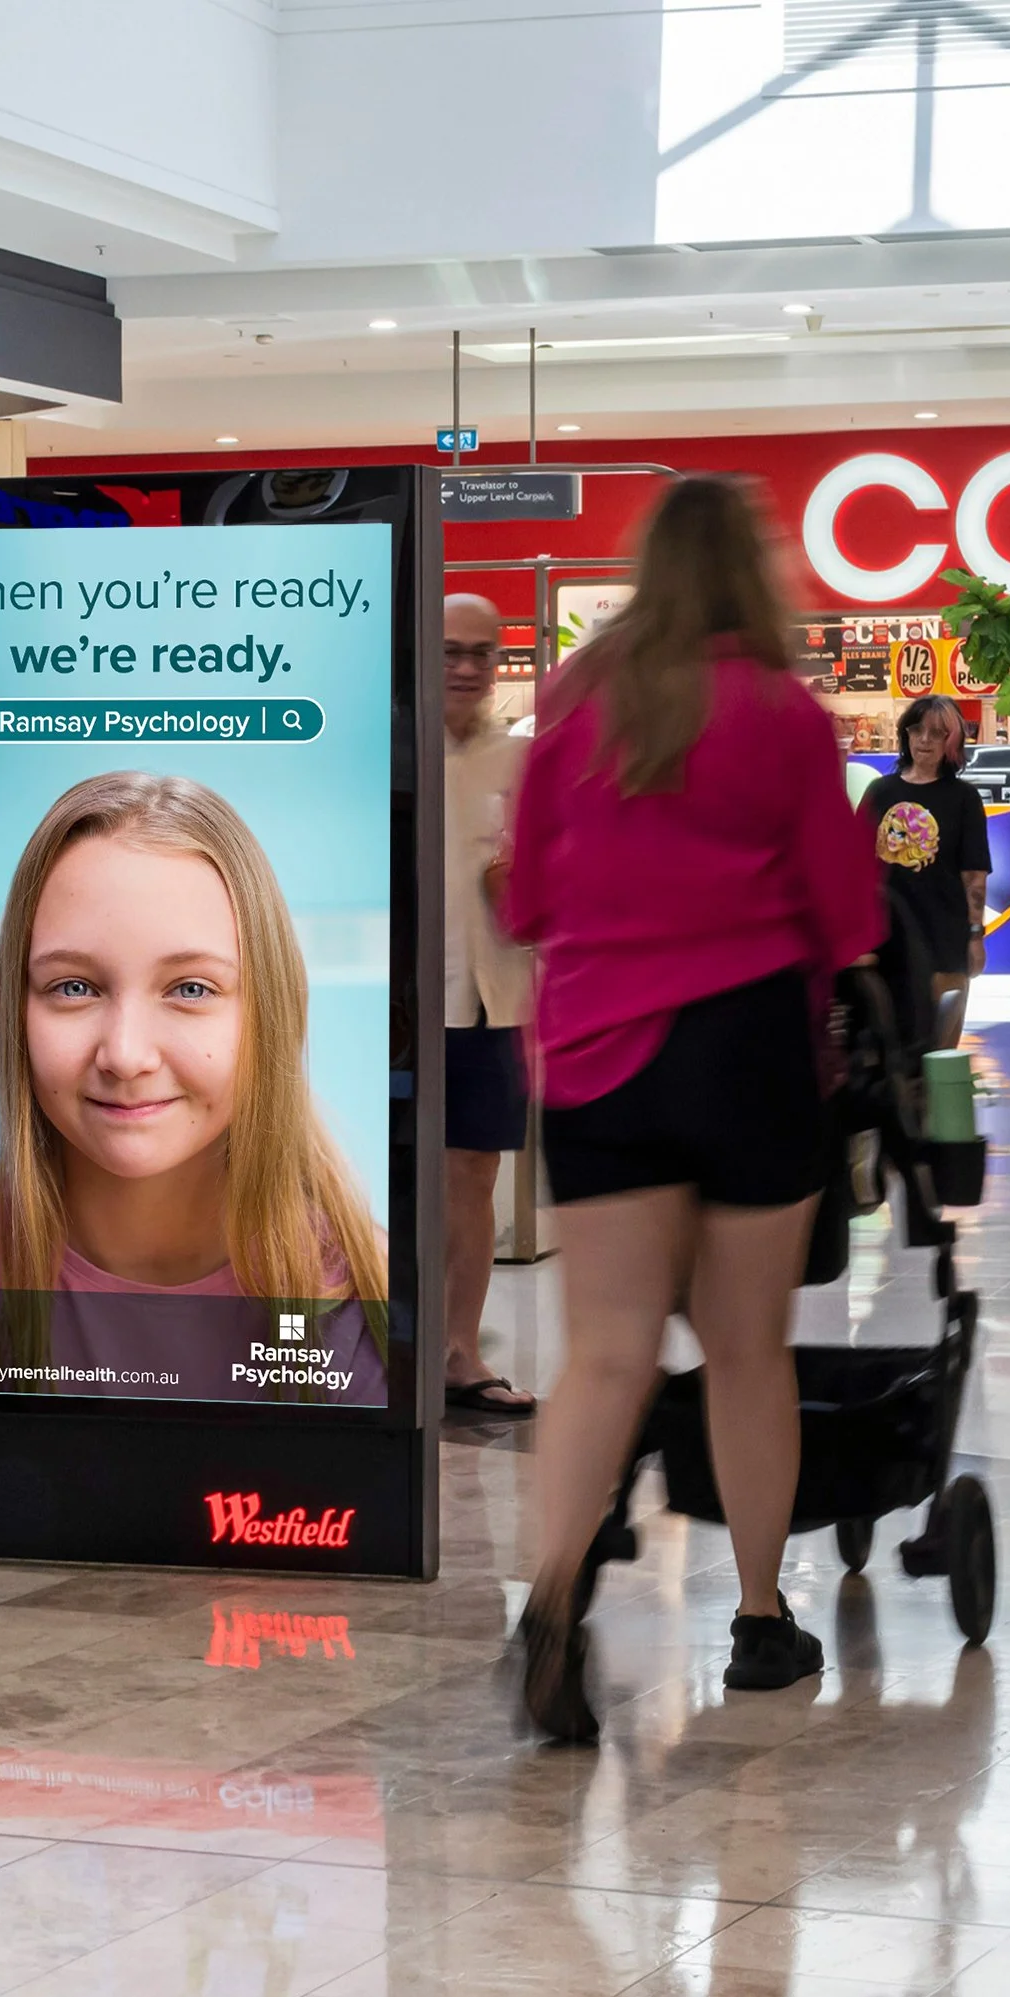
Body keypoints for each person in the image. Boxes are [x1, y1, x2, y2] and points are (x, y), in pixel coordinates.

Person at [502, 475, 883, 1742]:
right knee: (746, 1347)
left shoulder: (576, 698)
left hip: (599, 1048)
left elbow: (530, 895)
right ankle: (762, 1617)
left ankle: (552, 1600)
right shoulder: (781, 710)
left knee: (602, 1350)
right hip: (747, 1043)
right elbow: (843, 905)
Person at [0, 772, 387, 1404]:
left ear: (270, 1012)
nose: (127, 1055)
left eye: (191, 988)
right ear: (15, 1011)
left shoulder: (363, 1289)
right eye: (74, 987)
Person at [441, 593, 536, 1417]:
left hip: (494, 999)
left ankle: (460, 1353)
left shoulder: (523, 762)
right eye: (450, 651)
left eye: (482, 651)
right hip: (404, 1005)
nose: (468, 667)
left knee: (474, 1176)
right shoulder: (390, 752)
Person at [860, 696, 991, 1049]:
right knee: (891, 1042)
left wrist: (975, 935)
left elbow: (974, 875)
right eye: (917, 730)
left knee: (940, 1048)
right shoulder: (880, 791)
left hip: (944, 936)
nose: (924, 741)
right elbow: (856, 866)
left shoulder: (964, 798)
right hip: (886, 935)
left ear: (952, 742)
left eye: (936, 734)